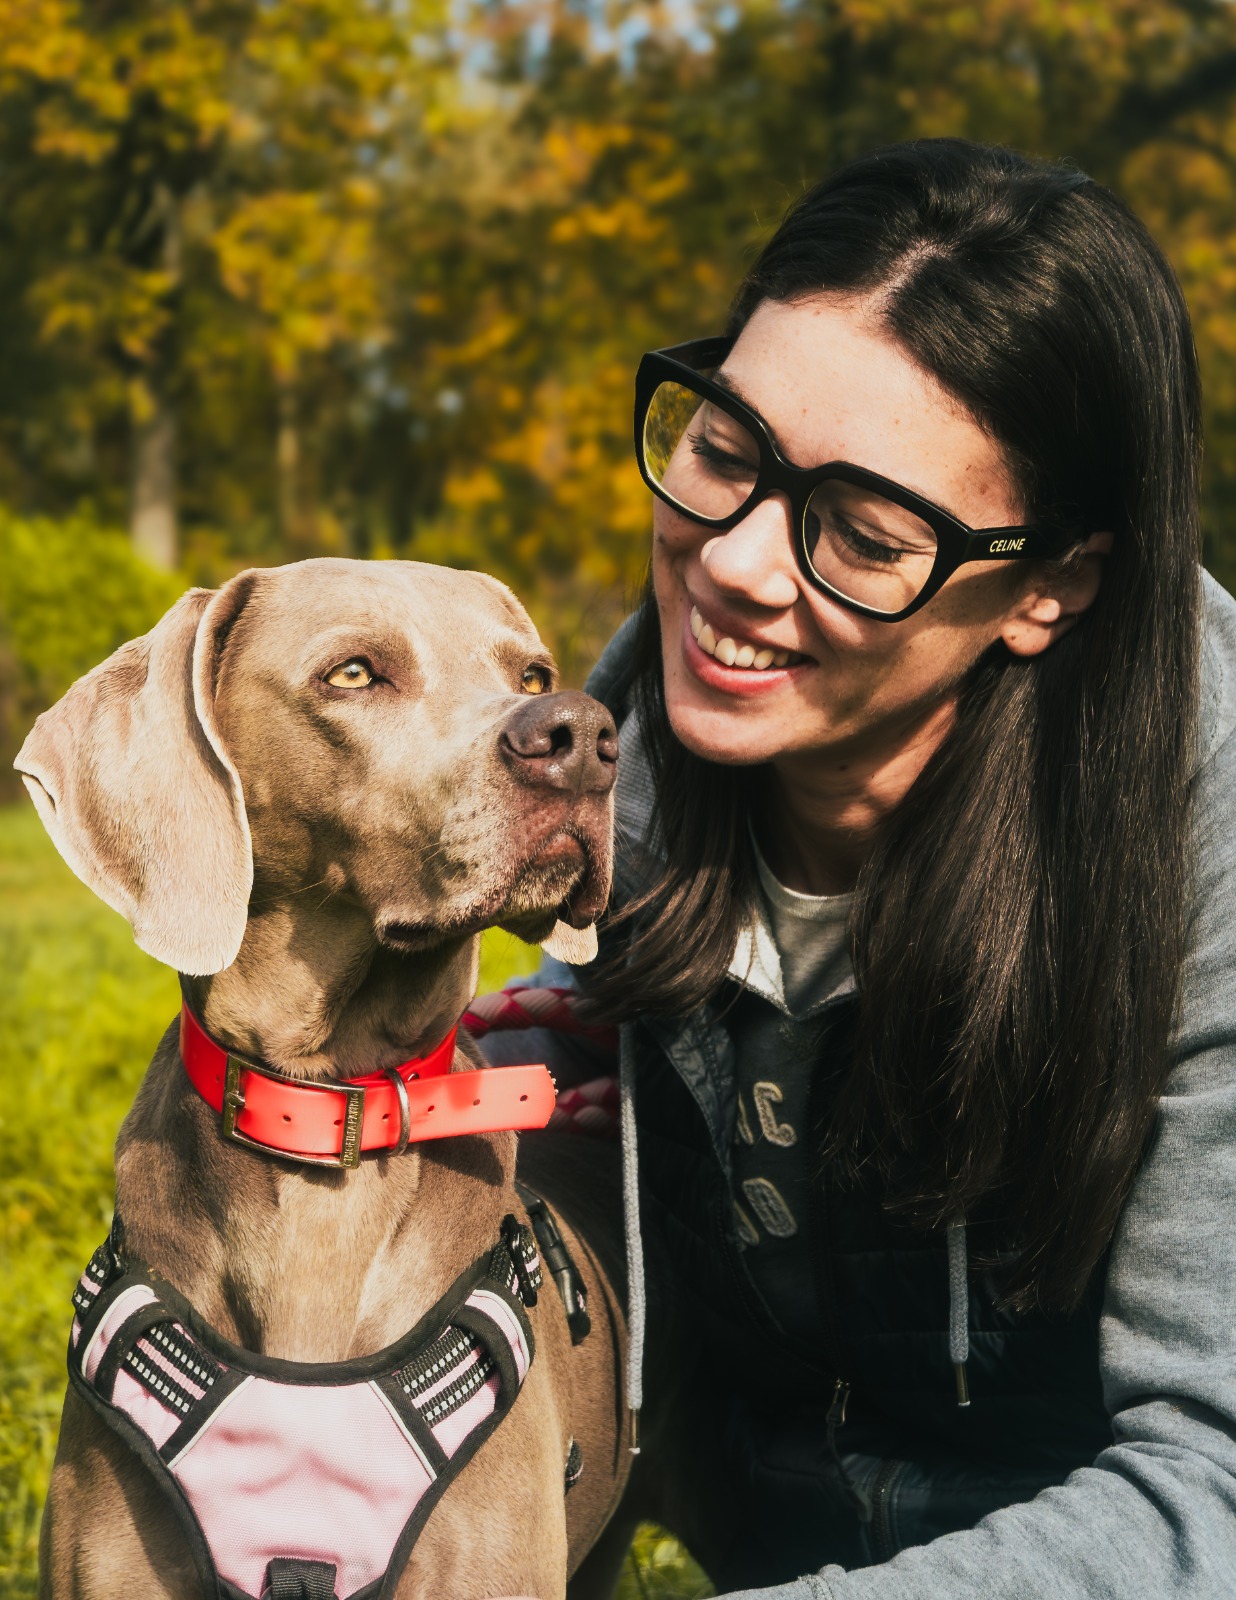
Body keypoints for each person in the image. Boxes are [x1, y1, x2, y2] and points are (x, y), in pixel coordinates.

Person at [486, 139, 1236, 1598]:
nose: (738, 566)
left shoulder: (1203, 827)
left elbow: (1216, 1494)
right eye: (722, 450)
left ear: (1052, 587)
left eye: (864, 533)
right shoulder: (632, 747)